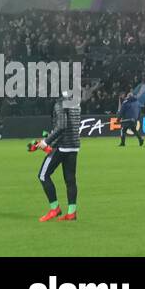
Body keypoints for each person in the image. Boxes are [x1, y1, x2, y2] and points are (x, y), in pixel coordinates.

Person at [35, 90, 81, 221]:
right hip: (74, 145)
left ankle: (55, 208)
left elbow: (61, 126)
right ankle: (71, 212)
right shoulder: (75, 105)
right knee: (70, 180)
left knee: (43, 175)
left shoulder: (59, 104)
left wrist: (46, 142)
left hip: (62, 146)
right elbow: (70, 126)